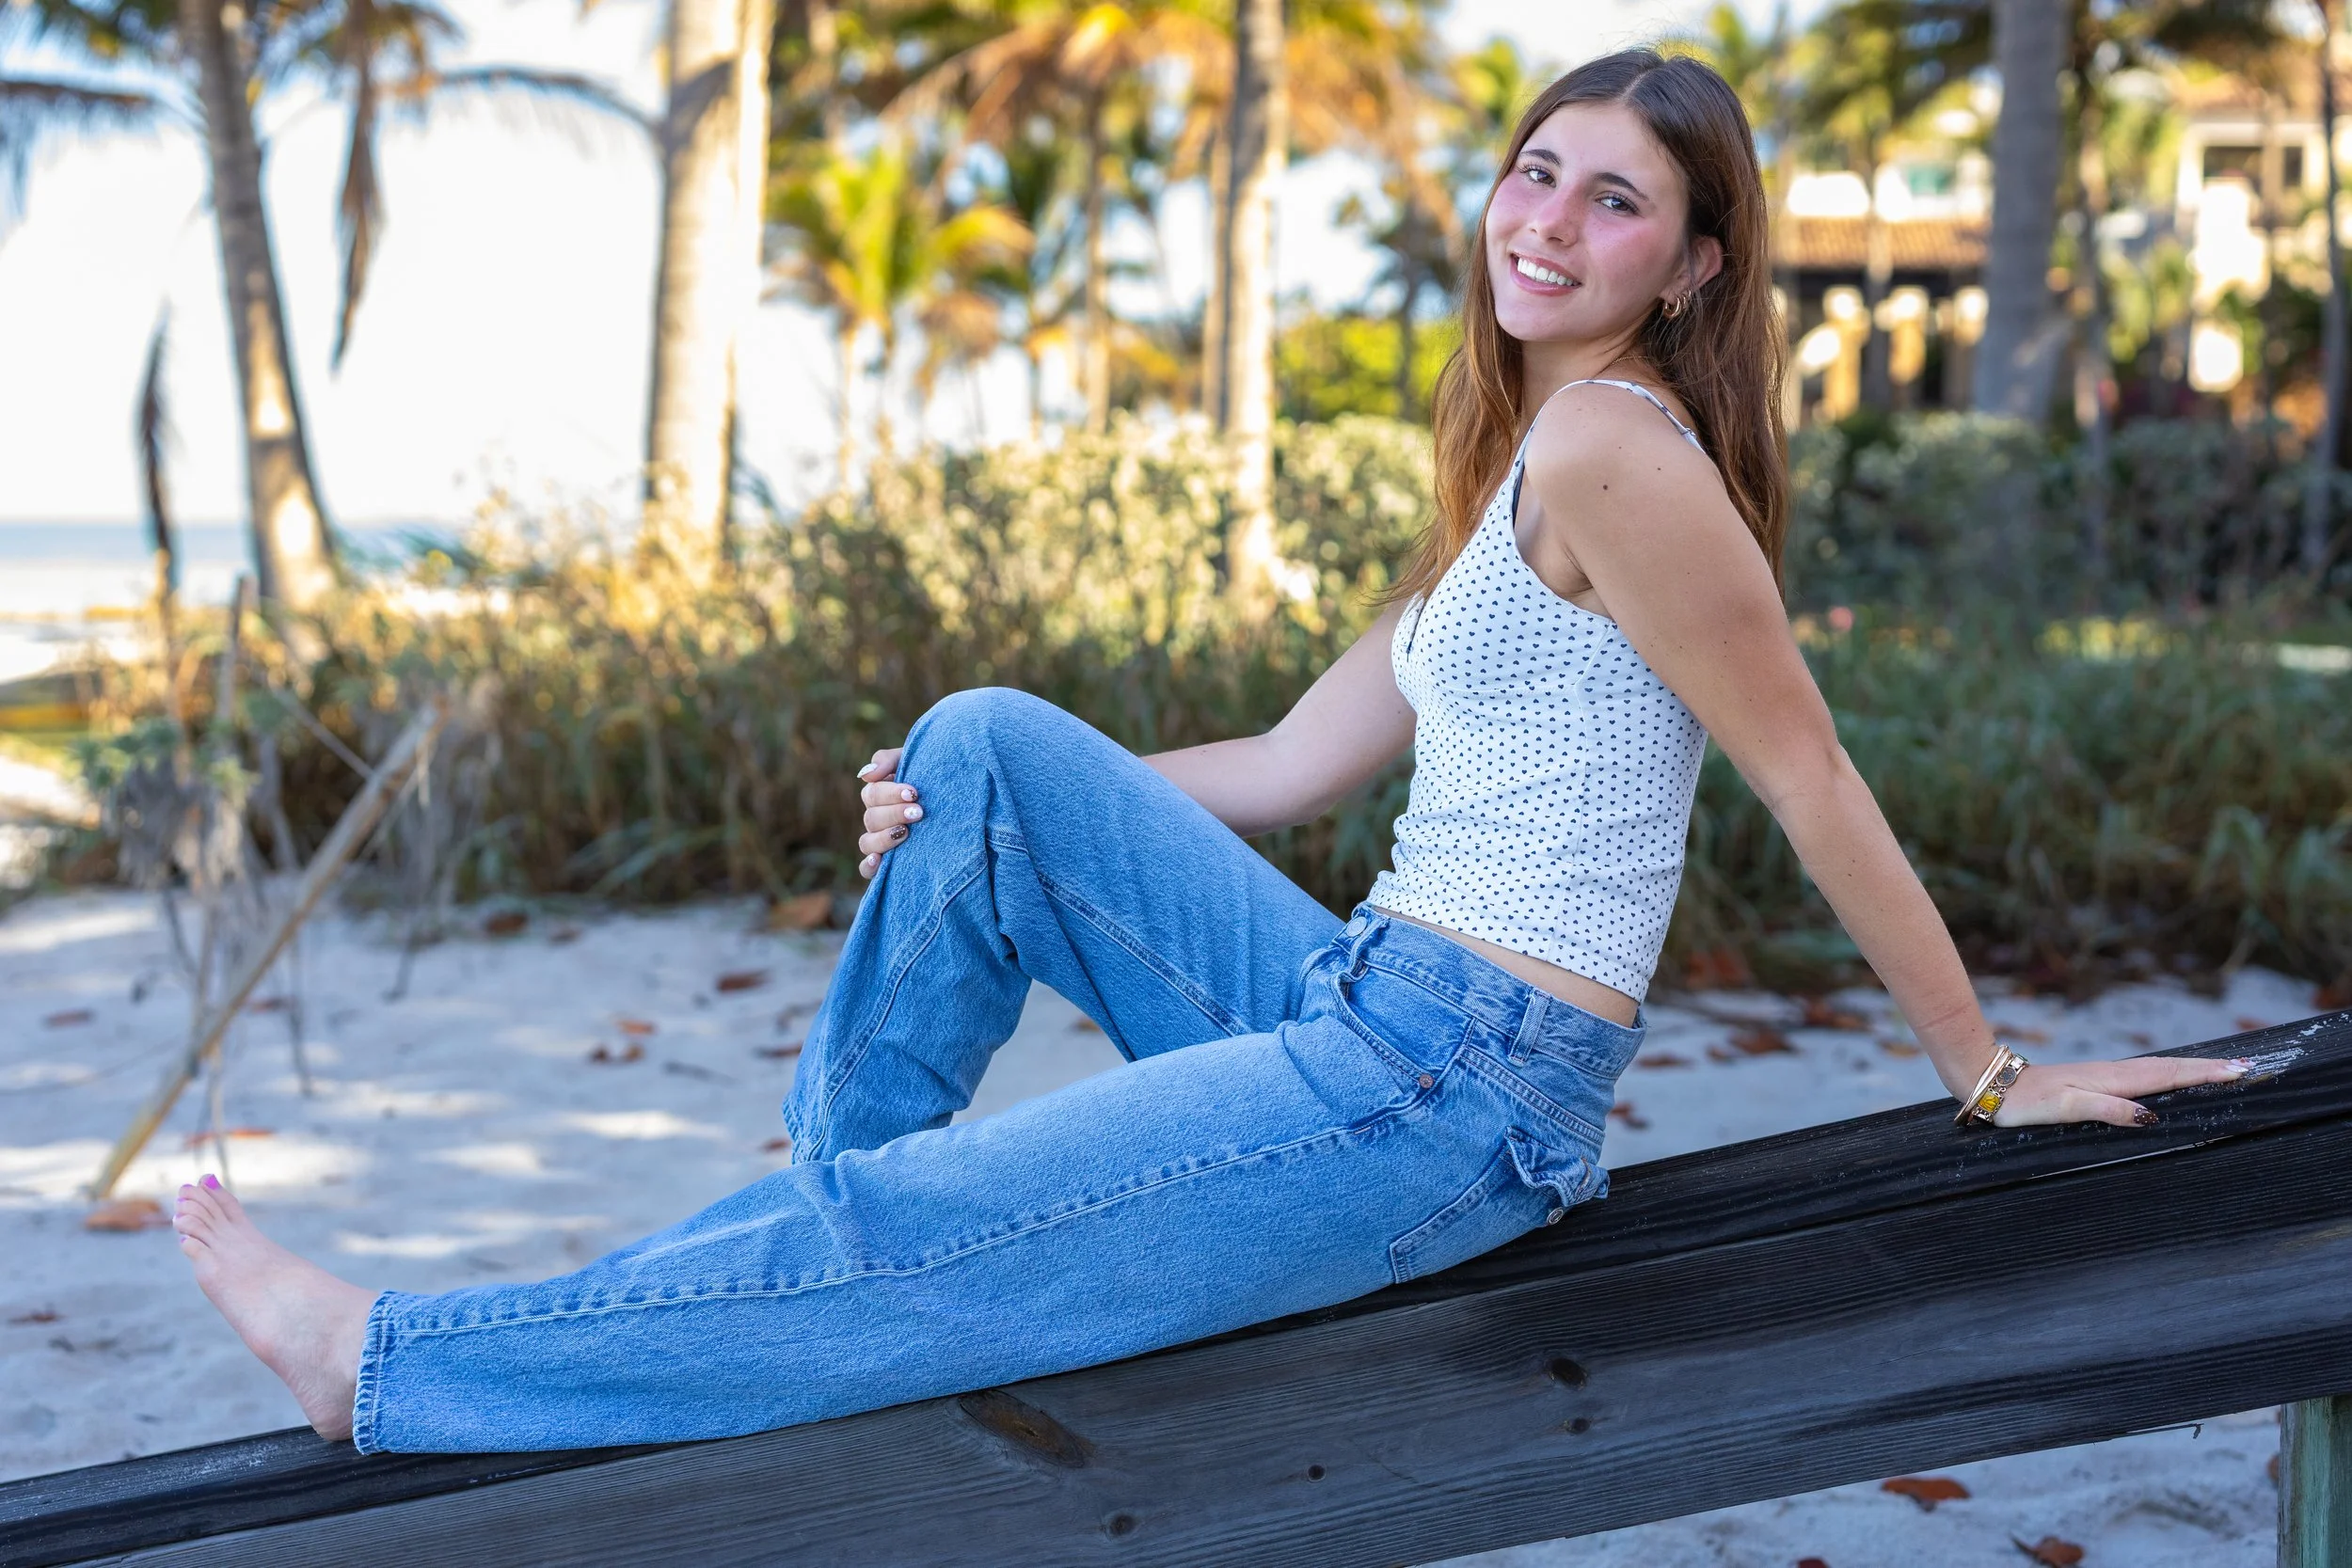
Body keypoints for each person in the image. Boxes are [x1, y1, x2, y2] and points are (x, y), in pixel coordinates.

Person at [172, 48, 2249, 1454]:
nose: (1544, 218)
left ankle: (397, 1365)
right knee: (982, 746)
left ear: (1694, 266)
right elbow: (1279, 759)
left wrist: (1986, 1070)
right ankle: (803, 1242)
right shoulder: (1529, 469)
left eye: (1613, 201)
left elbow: (1809, 774)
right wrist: (953, 807)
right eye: (1534, 168)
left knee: (917, 1239)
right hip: (1366, 1005)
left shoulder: (1618, 453)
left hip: (1452, 1091)